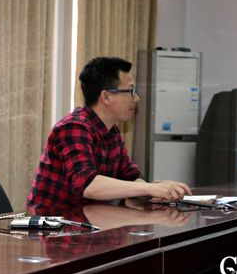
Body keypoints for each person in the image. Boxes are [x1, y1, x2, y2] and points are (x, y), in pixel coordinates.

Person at [27, 56, 192, 210]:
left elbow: (130, 176)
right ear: (106, 97)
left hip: (91, 219)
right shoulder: (73, 128)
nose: (136, 98)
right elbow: (88, 185)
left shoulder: (112, 131)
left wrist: (155, 191)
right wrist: (149, 188)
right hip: (54, 223)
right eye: (130, 91)